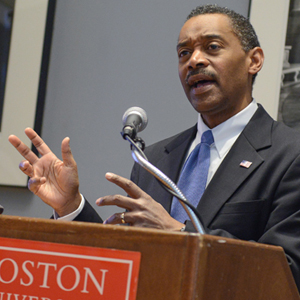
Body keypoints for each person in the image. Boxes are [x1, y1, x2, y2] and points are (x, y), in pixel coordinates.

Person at [8, 5, 300, 290]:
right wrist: (70, 206)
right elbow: (122, 259)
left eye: (212, 47)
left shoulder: (289, 155)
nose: (195, 60)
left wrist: (178, 232)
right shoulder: (156, 159)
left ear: (254, 60)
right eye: (184, 53)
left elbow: (286, 274)